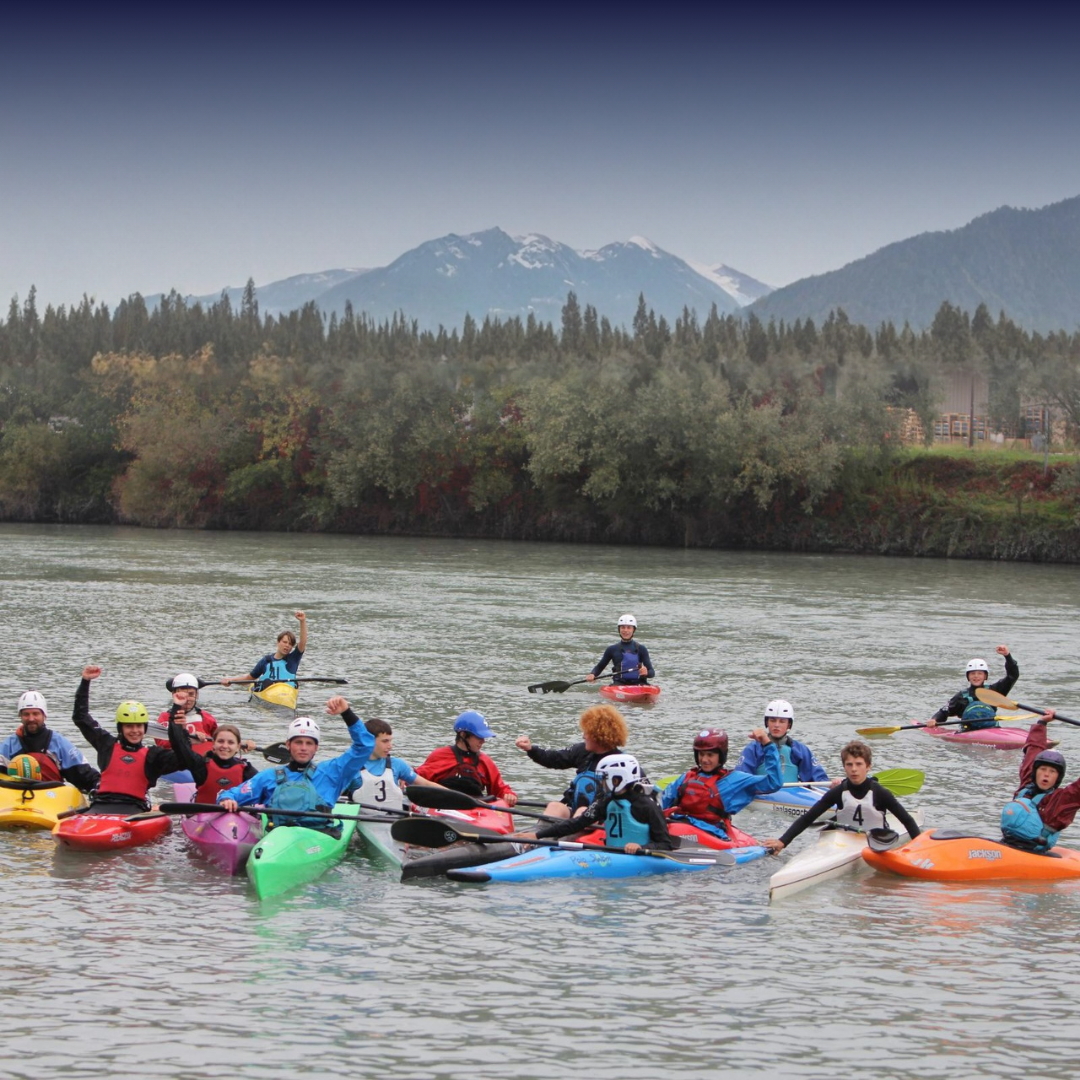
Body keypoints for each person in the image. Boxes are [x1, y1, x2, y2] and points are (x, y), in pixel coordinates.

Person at [216, 696, 374, 831]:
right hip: (278, 841)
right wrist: (226, 800)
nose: (303, 748)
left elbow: (365, 746)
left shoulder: (333, 771)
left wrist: (347, 713)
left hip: (318, 838)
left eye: (309, 743)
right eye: (298, 742)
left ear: (316, 748)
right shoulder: (269, 777)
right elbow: (230, 794)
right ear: (288, 745)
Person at [762, 740, 921, 855]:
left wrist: (920, 849)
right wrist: (783, 842)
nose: (854, 770)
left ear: (868, 767)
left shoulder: (880, 793)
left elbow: (907, 820)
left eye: (859, 764)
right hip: (843, 842)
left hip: (876, 842)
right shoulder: (838, 792)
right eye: (849, 765)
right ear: (844, 767)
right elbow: (808, 818)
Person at [71, 665, 187, 813]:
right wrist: (85, 682)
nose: (134, 731)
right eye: (129, 726)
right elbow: (81, 718)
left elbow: (184, 758)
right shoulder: (107, 744)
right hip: (100, 807)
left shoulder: (153, 756)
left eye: (139, 726)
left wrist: (178, 716)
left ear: (145, 728)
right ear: (121, 728)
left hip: (134, 811)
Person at [526, 753, 674, 853]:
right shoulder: (607, 802)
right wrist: (537, 835)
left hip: (638, 858)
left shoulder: (647, 806)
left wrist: (641, 847)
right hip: (613, 854)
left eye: (604, 778)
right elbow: (576, 823)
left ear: (617, 779)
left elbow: (666, 845)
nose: (601, 782)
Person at [662, 727, 784, 842]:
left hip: (710, 835)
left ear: (721, 756)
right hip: (679, 827)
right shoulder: (686, 777)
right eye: (701, 754)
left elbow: (773, 783)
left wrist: (767, 744)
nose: (704, 760)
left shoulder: (735, 780)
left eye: (710, 755)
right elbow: (662, 804)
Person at [515, 704, 629, 819]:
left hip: (602, 820)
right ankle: (538, 835)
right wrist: (530, 749)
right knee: (555, 807)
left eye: (587, 732)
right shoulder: (582, 752)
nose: (583, 736)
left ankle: (563, 834)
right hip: (576, 816)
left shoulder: (624, 764)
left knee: (582, 811)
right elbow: (554, 759)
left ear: (598, 735)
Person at [999, 710, 1080, 851]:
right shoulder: (1026, 785)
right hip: (1009, 844)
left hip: (1033, 853)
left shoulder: (1061, 800)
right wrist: (1042, 723)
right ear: (1035, 772)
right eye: (1043, 769)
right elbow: (1033, 750)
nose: (1046, 775)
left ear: (1058, 777)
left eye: (1052, 771)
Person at [0, 690, 100, 792]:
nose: (31, 719)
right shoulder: (9, 746)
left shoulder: (59, 743)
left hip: (50, 799)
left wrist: (98, 784)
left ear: (44, 715)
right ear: (20, 716)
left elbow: (83, 774)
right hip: (16, 798)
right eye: (26, 714)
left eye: (36, 714)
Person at [415, 711, 518, 807]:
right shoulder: (440, 755)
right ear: (463, 735)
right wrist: (403, 777)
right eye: (479, 737)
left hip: (474, 810)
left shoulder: (485, 761)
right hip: (442, 806)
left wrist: (508, 795)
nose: (483, 741)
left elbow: (499, 788)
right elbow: (417, 778)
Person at [345, 718, 442, 808]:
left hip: (394, 823)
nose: (390, 746)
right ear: (368, 741)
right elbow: (333, 794)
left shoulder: (397, 764)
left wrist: (454, 796)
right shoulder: (351, 767)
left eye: (390, 741)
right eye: (385, 741)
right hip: (362, 821)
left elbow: (426, 784)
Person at [734, 700, 830, 785]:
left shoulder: (799, 749)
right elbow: (740, 779)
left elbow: (819, 779)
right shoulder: (754, 748)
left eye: (782, 721)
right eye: (772, 720)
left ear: (789, 724)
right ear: (767, 722)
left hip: (792, 797)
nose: (776, 725)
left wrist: (832, 785)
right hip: (762, 795)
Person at [925, 645, 1018, 731]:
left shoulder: (994, 690)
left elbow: (1013, 676)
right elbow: (945, 711)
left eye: (980, 673)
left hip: (992, 730)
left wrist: (1007, 656)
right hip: (968, 732)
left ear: (985, 676)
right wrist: (934, 719)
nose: (976, 676)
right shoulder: (961, 696)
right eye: (972, 673)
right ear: (968, 677)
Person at [169, 722, 259, 805]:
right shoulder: (201, 765)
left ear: (238, 747)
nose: (225, 746)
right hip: (203, 818)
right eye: (220, 741)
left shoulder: (246, 769)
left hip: (234, 819)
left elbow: (267, 786)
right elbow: (181, 748)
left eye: (231, 742)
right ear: (213, 744)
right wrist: (184, 733)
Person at [221, 611, 308, 691]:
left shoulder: (293, 659)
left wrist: (302, 621)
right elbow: (249, 678)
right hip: (269, 693)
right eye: (285, 642)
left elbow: (303, 642)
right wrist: (231, 680)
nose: (287, 645)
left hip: (287, 694)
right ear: (278, 642)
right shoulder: (266, 661)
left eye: (290, 644)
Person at [152, 672, 225, 753]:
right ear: (174, 694)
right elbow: (162, 744)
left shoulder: (207, 718)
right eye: (183, 694)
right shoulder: (165, 717)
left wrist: (204, 738)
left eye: (191, 694)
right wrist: (189, 739)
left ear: (196, 695)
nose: (187, 699)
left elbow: (218, 742)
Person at [586, 614, 654, 686]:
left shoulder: (641, 649)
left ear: (633, 629)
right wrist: (592, 674)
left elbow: (652, 672)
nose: (625, 630)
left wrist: (647, 673)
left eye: (629, 628)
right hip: (619, 684)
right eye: (623, 627)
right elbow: (600, 667)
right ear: (619, 629)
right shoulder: (612, 649)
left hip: (639, 683)